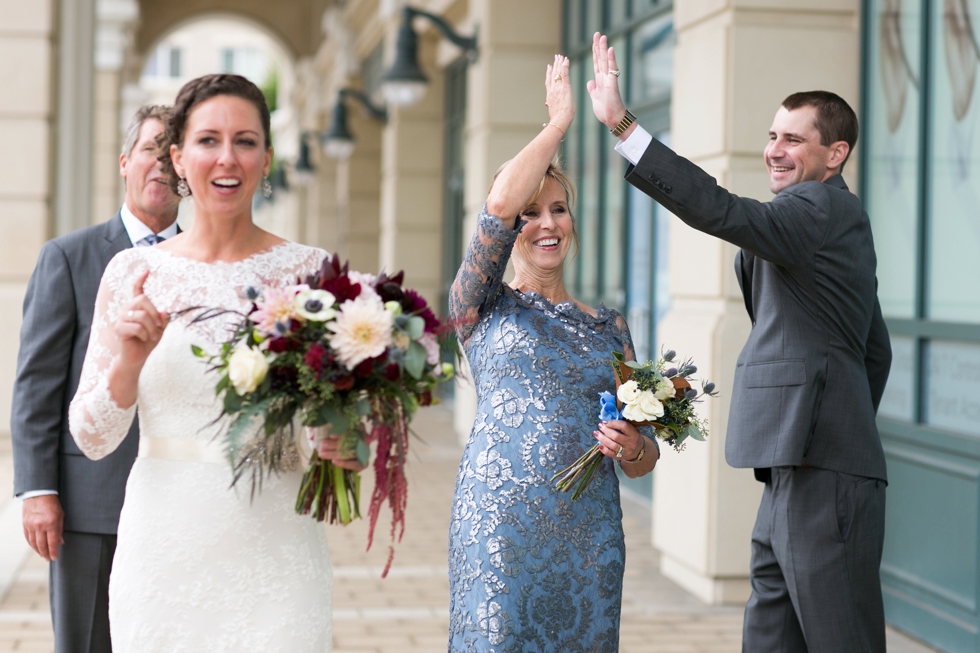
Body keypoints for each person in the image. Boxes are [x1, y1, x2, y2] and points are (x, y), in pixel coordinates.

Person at [587, 32, 892, 653]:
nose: (773, 150)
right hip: (797, 461)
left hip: (822, 464)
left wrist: (625, 126)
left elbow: (722, 211)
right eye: (772, 135)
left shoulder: (822, 210)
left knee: (839, 638)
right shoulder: (812, 226)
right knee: (771, 633)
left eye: (793, 139)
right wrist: (839, 418)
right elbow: (874, 347)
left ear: (836, 154)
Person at [67, 74, 360, 651]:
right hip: (163, 551)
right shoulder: (131, 273)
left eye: (246, 141)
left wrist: (341, 447)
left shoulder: (314, 274)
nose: (227, 158)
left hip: (278, 553)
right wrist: (128, 361)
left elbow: (344, 448)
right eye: (208, 140)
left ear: (267, 157)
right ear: (178, 157)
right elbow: (91, 438)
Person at [447, 55, 658, 653]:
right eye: (531, 212)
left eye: (558, 209)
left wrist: (636, 444)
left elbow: (643, 457)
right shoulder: (480, 303)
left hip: (590, 537)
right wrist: (559, 124)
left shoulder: (610, 327)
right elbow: (497, 207)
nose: (546, 224)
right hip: (499, 531)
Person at [11, 105, 179, 653]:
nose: (163, 164)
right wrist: (39, 491)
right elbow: (37, 384)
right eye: (152, 148)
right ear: (126, 160)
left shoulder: (203, 265)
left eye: (173, 151)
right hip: (90, 501)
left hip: (180, 498)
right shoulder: (68, 257)